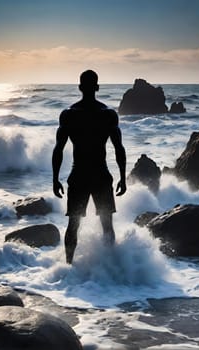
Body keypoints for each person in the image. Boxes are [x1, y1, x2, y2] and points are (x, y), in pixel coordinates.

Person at [52, 70, 126, 264]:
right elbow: (119, 148)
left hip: (79, 175)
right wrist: (123, 178)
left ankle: (68, 265)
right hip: (101, 175)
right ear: (97, 87)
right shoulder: (107, 115)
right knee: (107, 225)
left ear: (80, 87)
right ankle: (110, 266)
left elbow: (58, 149)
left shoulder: (69, 115)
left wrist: (55, 179)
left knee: (73, 224)